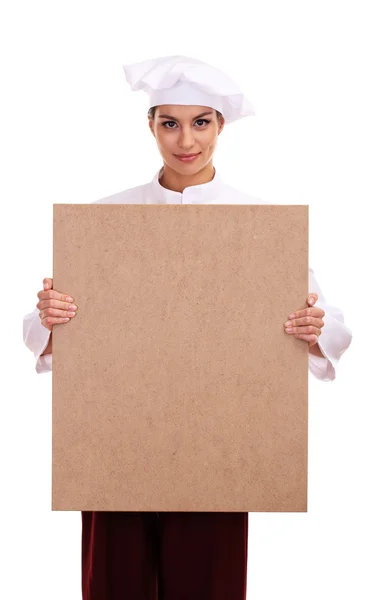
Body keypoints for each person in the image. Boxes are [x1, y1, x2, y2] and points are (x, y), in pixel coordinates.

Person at [23, 55, 352, 600]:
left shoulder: (260, 227)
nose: (185, 140)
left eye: (200, 121)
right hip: (117, 440)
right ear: (150, 126)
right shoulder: (105, 219)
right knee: (115, 585)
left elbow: (329, 324)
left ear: (221, 127)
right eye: (169, 123)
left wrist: (313, 327)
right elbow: (45, 332)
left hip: (219, 445)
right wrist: (51, 318)